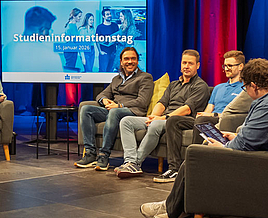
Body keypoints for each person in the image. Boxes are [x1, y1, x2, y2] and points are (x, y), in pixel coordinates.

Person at [141, 58, 268, 218]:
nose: (247, 93)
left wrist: (223, 146)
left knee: (194, 156)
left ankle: (172, 211)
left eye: (245, 87)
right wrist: (235, 136)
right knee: (203, 150)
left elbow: (241, 147)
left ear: (254, 86)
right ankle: (178, 206)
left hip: (260, 166)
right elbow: (260, 136)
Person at [114, 50, 210, 178]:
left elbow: (187, 109)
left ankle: (136, 163)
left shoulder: (200, 86)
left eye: (190, 63)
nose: (186, 66)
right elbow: (162, 103)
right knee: (126, 121)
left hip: (179, 121)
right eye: (184, 63)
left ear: (197, 66)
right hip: (162, 118)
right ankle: (130, 161)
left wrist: (161, 118)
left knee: (155, 125)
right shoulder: (174, 85)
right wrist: (152, 116)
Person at [155, 50, 247, 183]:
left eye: (230, 66)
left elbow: (235, 113)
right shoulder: (218, 88)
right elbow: (208, 109)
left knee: (202, 120)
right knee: (174, 120)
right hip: (206, 118)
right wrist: (205, 114)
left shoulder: (244, 89)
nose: (226, 69)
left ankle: (192, 165)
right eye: (225, 66)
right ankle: (174, 168)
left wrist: (211, 115)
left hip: (223, 119)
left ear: (241, 66)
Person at [75, 46, 153, 171]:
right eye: (126, 59)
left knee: (114, 112)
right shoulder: (116, 79)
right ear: (121, 62)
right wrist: (104, 100)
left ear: (137, 61)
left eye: (133, 59)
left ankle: (104, 155)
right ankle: (90, 153)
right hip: (114, 111)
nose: (130, 62)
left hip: (133, 112)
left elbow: (142, 102)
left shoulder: (145, 77)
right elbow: (101, 94)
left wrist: (119, 106)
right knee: (86, 109)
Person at [95, 8, 120, 73]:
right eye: (107, 14)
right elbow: (97, 40)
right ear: (103, 16)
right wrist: (100, 51)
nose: (110, 15)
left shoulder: (115, 25)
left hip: (113, 53)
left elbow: (119, 37)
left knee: (110, 72)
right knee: (102, 72)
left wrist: (115, 40)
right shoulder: (99, 27)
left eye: (110, 14)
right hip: (104, 53)